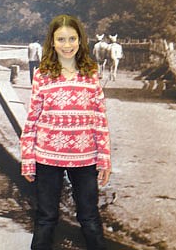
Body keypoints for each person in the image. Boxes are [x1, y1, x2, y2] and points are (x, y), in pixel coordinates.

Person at [20, 14, 111, 250]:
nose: (67, 45)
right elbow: (32, 120)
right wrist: (28, 159)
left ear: (80, 41)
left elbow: (100, 118)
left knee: (89, 218)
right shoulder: (42, 75)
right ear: (52, 42)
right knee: (46, 218)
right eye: (61, 39)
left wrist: (104, 158)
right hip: (48, 156)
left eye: (72, 38)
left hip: (85, 158)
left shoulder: (90, 74)